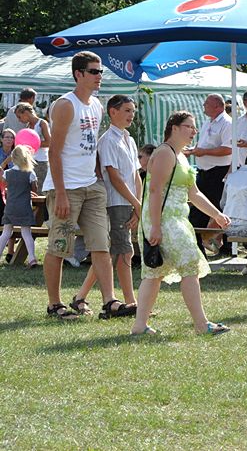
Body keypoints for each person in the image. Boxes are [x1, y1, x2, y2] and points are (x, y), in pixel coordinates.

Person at [42, 52, 133, 321]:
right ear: (78, 74)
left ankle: (110, 302)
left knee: (101, 245)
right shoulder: (65, 105)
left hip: (91, 186)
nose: (99, 77)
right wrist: (59, 192)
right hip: (66, 187)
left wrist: (97, 176)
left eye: (101, 72)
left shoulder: (96, 104)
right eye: (94, 72)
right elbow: (54, 152)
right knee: (59, 246)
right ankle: (54, 304)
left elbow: (91, 145)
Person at [131, 111, 232, 335]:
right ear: (174, 128)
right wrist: (155, 225)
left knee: (154, 273)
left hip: (176, 218)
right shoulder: (165, 153)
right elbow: (155, 190)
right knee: (187, 264)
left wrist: (216, 215)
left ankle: (139, 326)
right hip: (163, 219)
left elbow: (193, 193)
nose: (194, 132)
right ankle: (200, 324)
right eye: (189, 127)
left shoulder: (181, 156)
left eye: (194, 128)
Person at [73, 95, 142, 316]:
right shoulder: (108, 140)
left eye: (133, 110)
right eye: (127, 110)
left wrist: (137, 204)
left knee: (113, 253)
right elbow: (113, 176)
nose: (131, 115)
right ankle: (131, 301)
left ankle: (81, 296)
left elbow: (136, 175)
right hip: (115, 202)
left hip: (127, 201)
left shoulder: (129, 139)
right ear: (113, 112)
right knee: (124, 252)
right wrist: (135, 203)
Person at [185, 94, 232, 251]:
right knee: (200, 208)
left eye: (207, 103)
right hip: (204, 171)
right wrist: (193, 150)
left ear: (217, 106)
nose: (203, 105)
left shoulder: (227, 123)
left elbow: (228, 149)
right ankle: (198, 244)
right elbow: (203, 144)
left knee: (214, 207)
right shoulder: (207, 122)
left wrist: (203, 152)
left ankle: (217, 243)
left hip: (218, 172)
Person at [0, 145, 39, 268]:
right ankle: (32, 258)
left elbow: (6, 185)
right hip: (24, 207)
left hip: (10, 206)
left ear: (13, 158)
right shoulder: (30, 173)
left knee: (6, 232)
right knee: (26, 233)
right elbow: (34, 189)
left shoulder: (7, 173)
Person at [14, 102, 50, 193]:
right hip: (29, 161)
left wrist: (32, 144)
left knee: (40, 190)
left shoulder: (42, 123)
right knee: (30, 189)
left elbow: (49, 142)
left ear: (26, 113)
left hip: (41, 162)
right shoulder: (28, 127)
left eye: (19, 117)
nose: (19, 120)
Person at [0, 129, 15, 262]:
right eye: (6, 137)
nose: (9, 140)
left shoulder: (17, 153)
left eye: (11, 137)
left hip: (13, 190)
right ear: (2, 139)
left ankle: (11, 251)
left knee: (11, 220)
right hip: (0, 189)